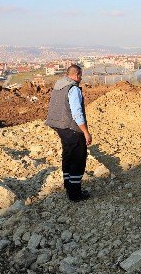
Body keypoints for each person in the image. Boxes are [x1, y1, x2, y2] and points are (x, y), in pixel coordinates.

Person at [45, 64, 92, 202]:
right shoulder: (73, 88)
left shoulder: (59, 85)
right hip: (71, 127)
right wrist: (86, 132)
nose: (81, 79)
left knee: (68, 155)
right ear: (77, 75)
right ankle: (75, 194)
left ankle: (68, 186)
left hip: (59, 126)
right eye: (80, 76)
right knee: (77, 159)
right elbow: (77, 113)